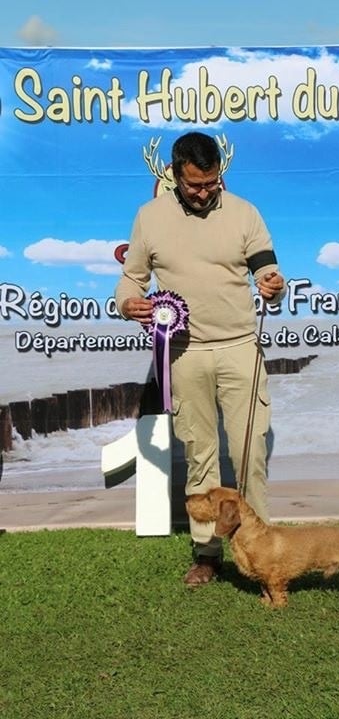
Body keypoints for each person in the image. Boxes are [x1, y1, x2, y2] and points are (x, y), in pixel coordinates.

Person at [115, 131, 285, 586]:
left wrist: (273, 282)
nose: (206, 192)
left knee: (249, 453)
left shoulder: (244, 212)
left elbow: (266, 267)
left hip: (240, 348)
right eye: (195, 185)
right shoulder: (149, 218)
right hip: (185, 353)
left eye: (212, 183)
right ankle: (207, 554)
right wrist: (128, 304)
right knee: (201, 457)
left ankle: (260, 550)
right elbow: (131, 281)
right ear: (174, 175)